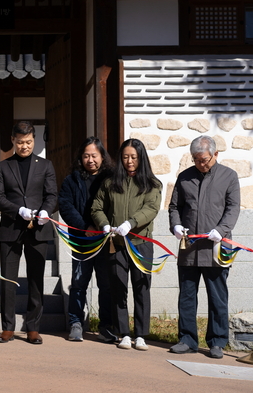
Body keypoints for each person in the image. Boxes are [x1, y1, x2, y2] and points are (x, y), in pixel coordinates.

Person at [168, 135, 240, 359]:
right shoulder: (184, 177)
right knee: (187, 295)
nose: (201, 164)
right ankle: (187, 339)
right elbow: (174, 207)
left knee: (217, 296)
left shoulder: (229, 176)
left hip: (217, 248)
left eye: (205, 160)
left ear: (216, 154)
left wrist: (222, 229)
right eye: (197, 160)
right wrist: (176, 225)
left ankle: (217, 341)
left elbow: (233, 208)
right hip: (189, 247)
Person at [91, 138, 161, 351]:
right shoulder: (111, 182)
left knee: (141, 287)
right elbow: (97, 207)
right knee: (118, 287)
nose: (129, 161)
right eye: (125, 157)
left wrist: (131, 223)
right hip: (116, 244)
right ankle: (123, 333)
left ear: (141, 158)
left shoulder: (152, 184)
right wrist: (104, 224)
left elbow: (151, 209)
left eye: (134, 157)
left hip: (141, 243)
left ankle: (140, 334)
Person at [0, 121, 57, 345]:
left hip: (38, 229)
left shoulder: (46, 165)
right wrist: (18, 210)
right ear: (13, 140)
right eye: (20, 142)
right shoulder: (3, 166)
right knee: (8, 280)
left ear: (34, 140)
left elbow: (51, 195)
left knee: (36, 279)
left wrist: (45, 211)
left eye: (28, 142)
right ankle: (7, 328)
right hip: (11, 228)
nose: (24, 146)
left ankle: (33, 327)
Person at [58, 137, 116, 343]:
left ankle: (106, 325)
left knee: (106, 285)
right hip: (81, 241)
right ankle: (76, 323)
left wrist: (104, 227)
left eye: (94, 155)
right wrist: (85, 228)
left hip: (106, 240)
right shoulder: (72, 180)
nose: (90, 160)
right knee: (78, 282)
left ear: (102, 157)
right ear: (80, 158)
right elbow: (65, 205)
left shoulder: (112, 178)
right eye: (86, 156)